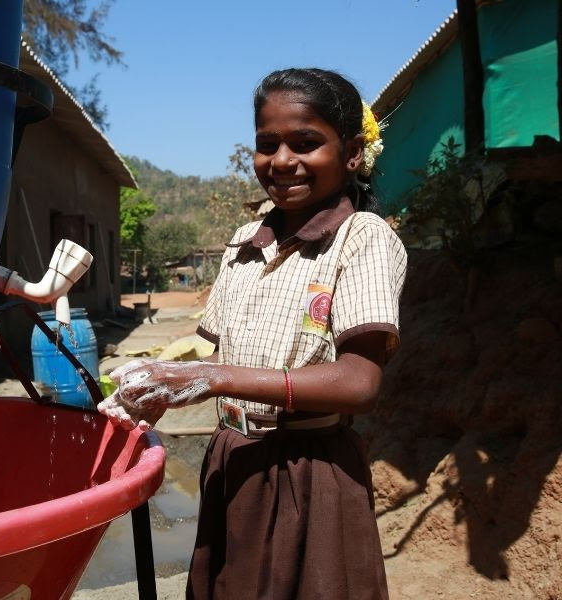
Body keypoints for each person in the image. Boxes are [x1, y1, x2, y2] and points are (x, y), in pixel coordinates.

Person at [98, 67, 407, 599]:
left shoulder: (363, 239)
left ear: (353, 152)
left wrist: (211, 378)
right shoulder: (246, 241)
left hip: (307, 472)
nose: (282, 161)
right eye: (268, 145)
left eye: (306, 143)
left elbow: (359, 381)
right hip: (232, 459)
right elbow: (214, 350)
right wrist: (155, 384)